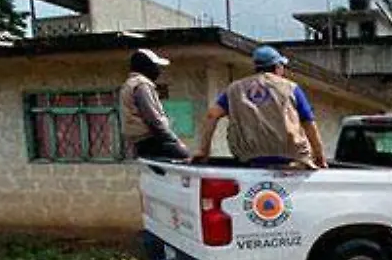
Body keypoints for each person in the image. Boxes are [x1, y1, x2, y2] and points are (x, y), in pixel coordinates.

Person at [194, 45, 327, 169]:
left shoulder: (235, 89)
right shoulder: (291, 88)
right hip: (289, 158)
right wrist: (319, 157)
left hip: (249, 158)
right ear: (277, 67)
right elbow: (308, 123)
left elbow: (212, 115)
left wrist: (203, 151)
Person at [120, 49, 190, 160]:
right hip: (151, 140)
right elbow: (153, 119)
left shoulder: (128, 85)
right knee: (184, 156)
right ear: (146, 66)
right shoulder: (142, 85)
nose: (158, 70)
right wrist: (173, 140)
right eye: (155, 66)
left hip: (139, 142)